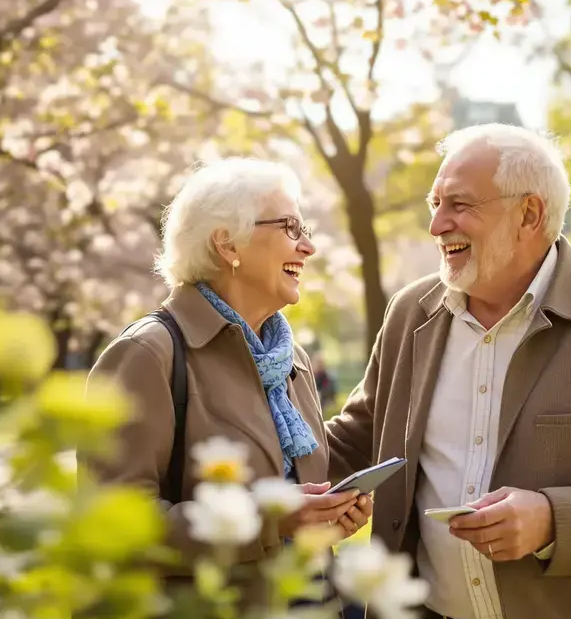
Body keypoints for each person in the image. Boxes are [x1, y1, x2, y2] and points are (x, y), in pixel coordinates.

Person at [325, 123, 571, 619]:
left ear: (529, 214)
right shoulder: (411, 313)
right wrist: (261, 479)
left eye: (460, 205)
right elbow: (359, 437)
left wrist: (553, 521)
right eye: (435, 204)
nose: (436, 225)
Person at [81, 159, 372, 591]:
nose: (308, 247)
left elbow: (296, 486)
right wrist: (266, 520)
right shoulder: (147, 354)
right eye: (291, 228)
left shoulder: (291, 359)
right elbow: (113, 522)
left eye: (305, 229)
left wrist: (326, 513)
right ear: (228, 245)